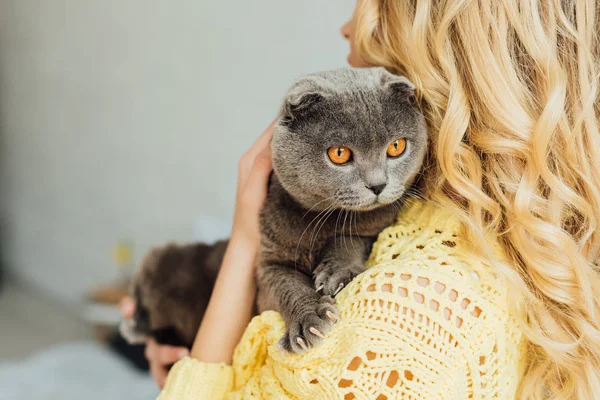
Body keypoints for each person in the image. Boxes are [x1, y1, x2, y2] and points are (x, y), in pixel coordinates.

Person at [122, 0, 600, 398]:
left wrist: (247, 239)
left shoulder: (407, 319)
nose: (346, 27)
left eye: (374, 13)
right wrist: (205, 336)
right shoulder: (446, 215)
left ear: (442, 52)